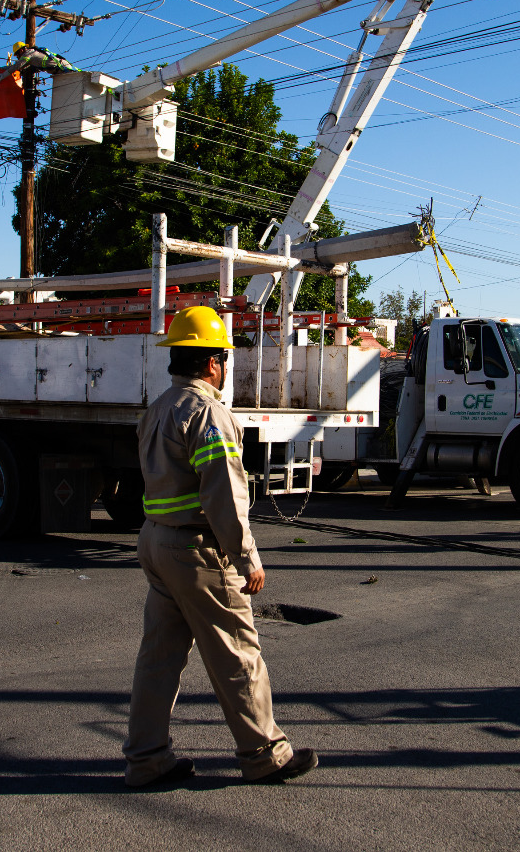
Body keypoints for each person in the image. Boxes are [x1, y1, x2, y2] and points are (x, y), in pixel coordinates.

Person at [123, 306, 316, 787]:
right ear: (213, 363)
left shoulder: (159, 408)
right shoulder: (208, 413)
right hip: (198, 553)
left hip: (157, 543)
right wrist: (247, 556)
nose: (227, 369)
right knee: (237, 654)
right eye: (225, 359)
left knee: (158, 659)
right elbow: (224, 496)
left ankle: (146, 759)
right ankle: (266, 755)